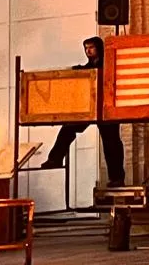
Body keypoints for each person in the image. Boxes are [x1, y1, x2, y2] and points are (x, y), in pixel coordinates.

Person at [41, 37, 127, 187]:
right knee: (68, 128)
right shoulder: (86, 68)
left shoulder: (109, 65)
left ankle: (117, 178)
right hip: (89, 108)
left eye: (91, 47)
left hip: (107, 108)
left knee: (111, 143)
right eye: (86, 48)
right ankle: (55, 158)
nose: (88, 51)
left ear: (99, 48)